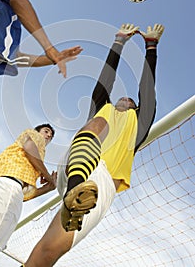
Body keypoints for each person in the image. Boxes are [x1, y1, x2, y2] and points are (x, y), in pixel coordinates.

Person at [20, 23, 164, 267]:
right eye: (121, 97)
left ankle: (74, 203)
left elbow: (147, 89)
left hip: (101, 184)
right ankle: (75, 191)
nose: (125, 99)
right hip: (79, 163)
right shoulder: (103, 108)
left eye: (130, 100)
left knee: (47, 252)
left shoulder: (138, 124)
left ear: (136, 107)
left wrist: (151, 46)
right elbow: (106, 78)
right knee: (97, 123)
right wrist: (118, 42)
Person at [0, 123, 57, 267]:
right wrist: (48, 176)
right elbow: (29, 148)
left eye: (51, 135)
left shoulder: (26, 166)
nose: (49, 135)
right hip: (8, 187)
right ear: (38, 131)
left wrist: (49, 188)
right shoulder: (35, 137)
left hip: (7, 189)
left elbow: (25, 195)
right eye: (46, 131)